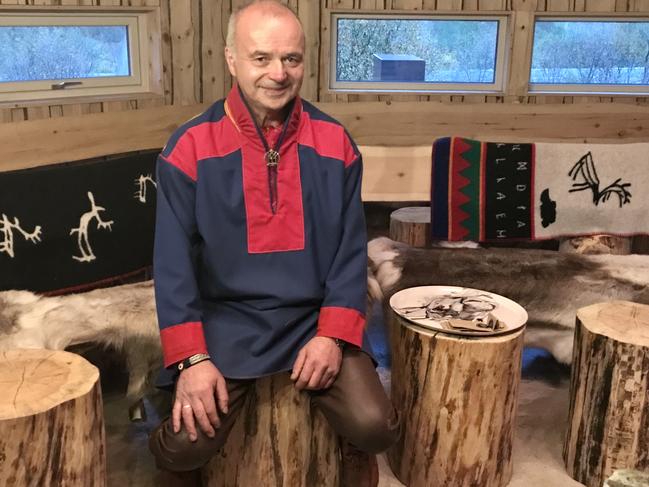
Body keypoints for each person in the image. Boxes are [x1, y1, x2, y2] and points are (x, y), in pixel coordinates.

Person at [148, 1, 399, 485]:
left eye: (292, 59)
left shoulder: (336, 144)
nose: (278, 74)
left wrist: (332, 335)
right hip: (227, 321)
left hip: (315, 318)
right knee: (183, 448)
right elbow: (172, 266)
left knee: (375, 427)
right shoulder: (189, 149)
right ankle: (162, 402)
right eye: (261, 58)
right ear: (232, 60)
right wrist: (193, 361)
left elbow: (351, 253)